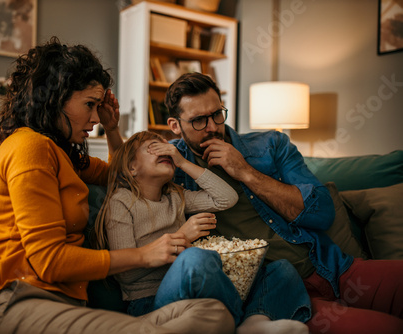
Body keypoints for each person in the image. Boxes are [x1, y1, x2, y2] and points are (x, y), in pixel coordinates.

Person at [0, 38, 236, 334]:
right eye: (89, 105)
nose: (95, 118)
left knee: (215, 314)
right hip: (15, 301)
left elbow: (122, 175)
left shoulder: (62, 154)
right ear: (55, 99)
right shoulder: (31, 148)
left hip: (65, 306)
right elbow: (50, 262)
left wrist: (113, 128)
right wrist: (146, 254)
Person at [164, 72, 403, 334]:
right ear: (175, 125)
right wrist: (114, 129)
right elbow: (126, 178)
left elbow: (322, 212)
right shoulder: (172, 166)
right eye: (199, 120)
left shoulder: (271, 145)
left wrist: (244, 171)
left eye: (217, 114)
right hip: (281, 293)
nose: (212, 127)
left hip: (334, 267)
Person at [93, 130, 311, 333]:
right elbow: (125, 273)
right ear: (132, 167)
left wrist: (183, 162)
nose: (165, 151)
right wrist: (182, 238)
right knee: (195, 257)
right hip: (151, 303)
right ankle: (239, 320)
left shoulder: (176, 196)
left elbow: (226, 198)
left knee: (281, 268)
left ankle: (254, 321)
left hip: (197, 296)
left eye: (166, 148)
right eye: (152, 148)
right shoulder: (121, 202)